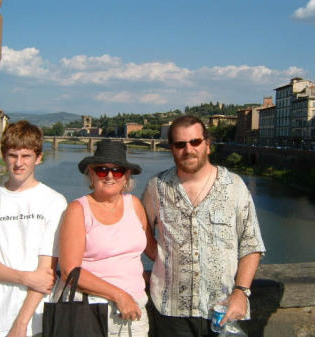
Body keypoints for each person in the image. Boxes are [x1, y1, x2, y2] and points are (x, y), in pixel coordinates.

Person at [142, 115, 266, 337]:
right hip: (171, 309)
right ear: (171, 148)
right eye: (180, 144)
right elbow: (141, 236)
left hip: (223, 307)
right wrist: (166, 259)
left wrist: (241, 292)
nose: (188, 149)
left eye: (195, 142)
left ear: (207, 145)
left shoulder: (234, 186)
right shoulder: (156, 188)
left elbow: (251, 243)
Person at [0, 120, 68, 337]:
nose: (18, 163)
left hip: (33, 323)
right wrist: (25, 277)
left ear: (38, 158)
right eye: (13, 155)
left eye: (26, 156)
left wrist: (21, 323)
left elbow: (46, 272)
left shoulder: (53, 201)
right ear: (4, 155)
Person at [57, 139, 156, 337]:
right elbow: (70, 272)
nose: (110, 175)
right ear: (91, 174)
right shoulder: (78, 210)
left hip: (134, 312)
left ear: (126, 176)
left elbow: (153, 251)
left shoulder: (135, 205)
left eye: (117, 170)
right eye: (102, 170)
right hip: (90, 310)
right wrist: (119, 295)